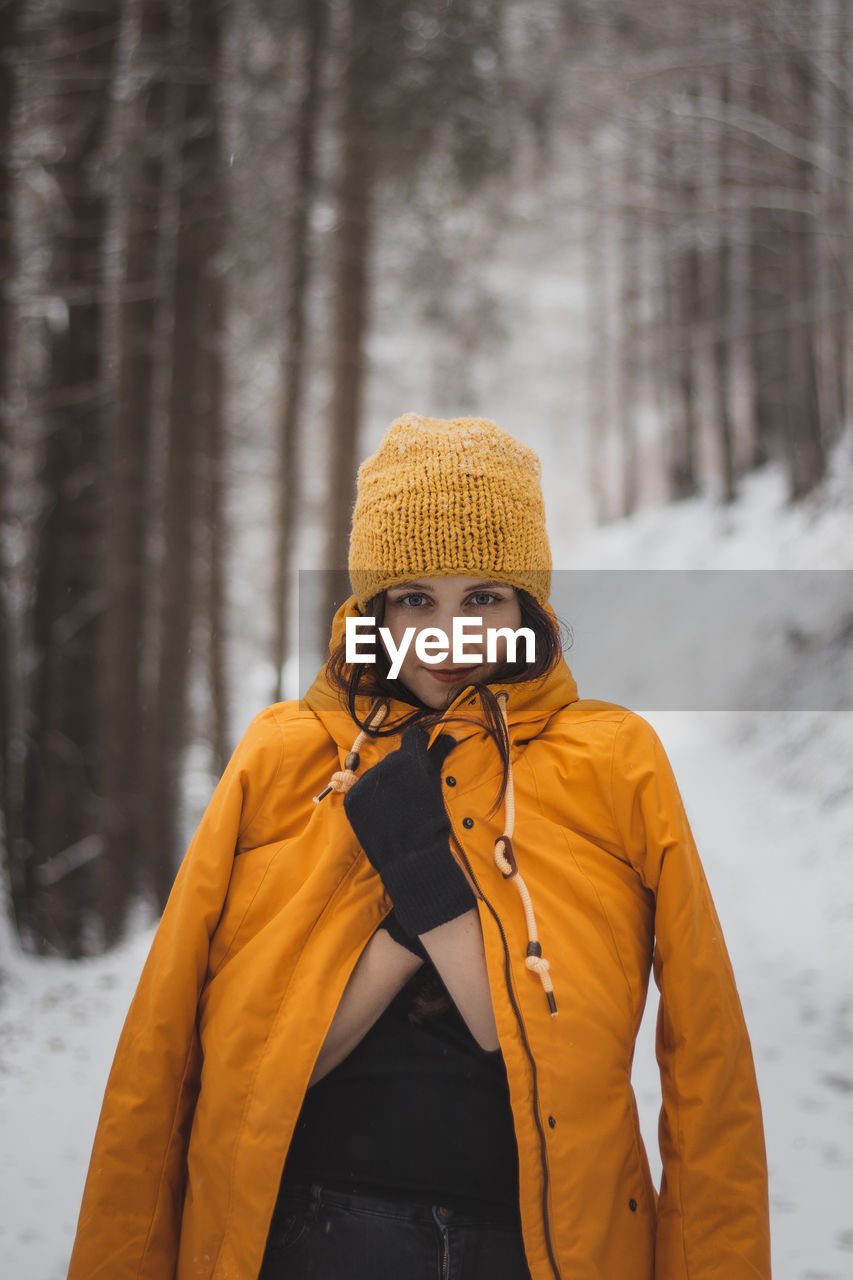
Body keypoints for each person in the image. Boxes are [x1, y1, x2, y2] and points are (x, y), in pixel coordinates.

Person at [68, 414, 772, 1280]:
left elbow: (690, 1056)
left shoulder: (612, 758)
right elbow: (182, 1054)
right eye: (414, 599)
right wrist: (411, 931)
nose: (448, 635)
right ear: (372, 610)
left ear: (527, 609)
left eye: (482, 597)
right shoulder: (285, 756)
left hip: (539, 1245)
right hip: (312, 1234)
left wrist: (425, 889)